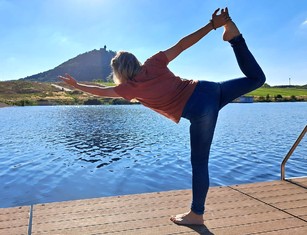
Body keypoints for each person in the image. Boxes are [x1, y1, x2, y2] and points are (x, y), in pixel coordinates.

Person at [59, 7, 265, 225]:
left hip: (200, 111)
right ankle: (234, 39)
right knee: (256, 79)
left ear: (119, 72)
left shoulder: (130, 88)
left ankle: (197, 214)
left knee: (199, 162)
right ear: (135, 61)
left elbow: (101, 91)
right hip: (210, 89)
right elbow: (182, 45)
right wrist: (211, 25)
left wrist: (77, 86)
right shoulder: (153, 63)